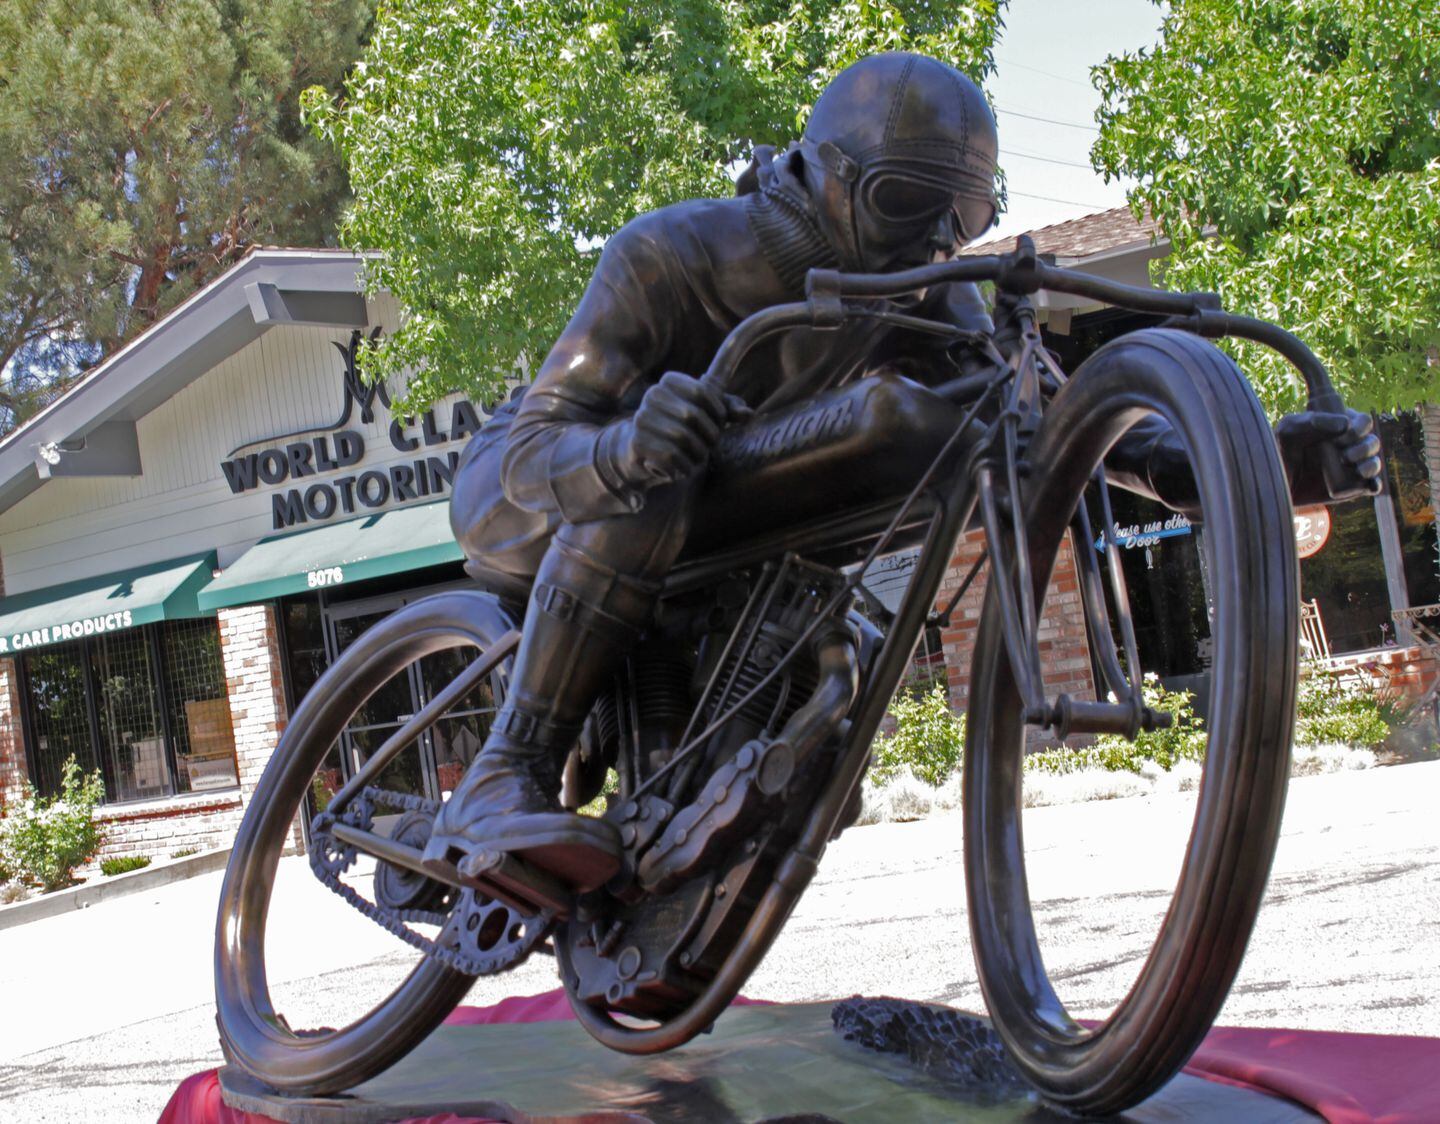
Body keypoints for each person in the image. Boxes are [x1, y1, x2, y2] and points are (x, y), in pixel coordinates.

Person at [428, 51, 1381, 891]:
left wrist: (1260, 460)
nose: (930, 242)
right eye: (900, 203)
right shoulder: (670, 254)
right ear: (818, 173)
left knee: (804, 597)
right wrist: (623, 446)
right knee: (660, 464)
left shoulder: (923, 290)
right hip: (530, 493)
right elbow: (529, 447)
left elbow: (1058, 430)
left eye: (959, 218)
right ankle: (506, 769)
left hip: (698, 512)